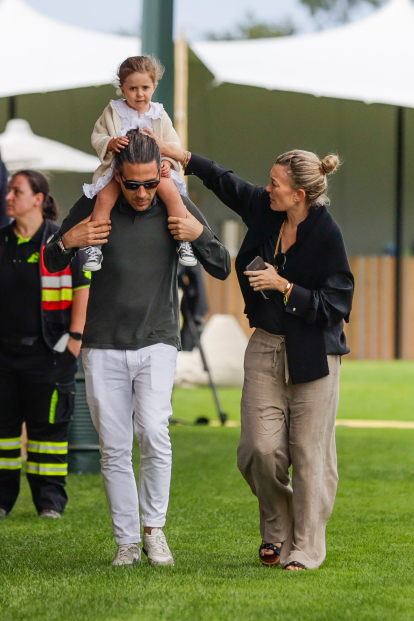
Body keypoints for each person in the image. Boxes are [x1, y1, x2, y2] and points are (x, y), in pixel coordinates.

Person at [149, 135, 354, 571]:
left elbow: (338, 305)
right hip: (263, 343)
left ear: (299, 194)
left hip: (314, 355)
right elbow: (226, 182)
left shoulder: (326, 234)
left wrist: (285, 287)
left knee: (309, 454)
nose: (267, 188)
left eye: (276, 183)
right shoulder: (265, 209)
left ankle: (303, 548)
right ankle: (278, 527)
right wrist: (182, 157)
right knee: (258, 450)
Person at [44, 130, 230, 566]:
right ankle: (127, 541)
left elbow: (221, 266)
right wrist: (69, 240)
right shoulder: (95, 204)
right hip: (102, 344)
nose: (143, 192)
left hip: (158, 340)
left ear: (162, 176)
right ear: (117, 176)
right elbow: (51, 261)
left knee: (154, 432)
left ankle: (154, 531)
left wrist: (197, 231)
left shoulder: (173, 204)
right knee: (114, 446)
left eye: (151, 183)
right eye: (133, 184)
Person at [0, 171, 90, 519]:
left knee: (48, 428)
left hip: (51, 351)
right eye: (8, 190)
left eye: (16, 191)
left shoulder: (60, 241)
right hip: (4, 355)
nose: (9, 196)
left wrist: (75, 339)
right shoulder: (3, 240)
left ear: (38, 199)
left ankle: (49, 502)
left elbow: (83, 286)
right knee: (3, 432)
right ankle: (3, 500)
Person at [82, 55, 196, 271]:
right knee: (104, 198)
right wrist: (111, 142)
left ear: (154, 86)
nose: (140, 94)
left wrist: (169, 163)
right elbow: (96, 136)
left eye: (145, 87)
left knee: (172, 193)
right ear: (122, 89)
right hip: (120, 171)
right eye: (133, 88)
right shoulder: (113, 111)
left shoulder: (159, 115)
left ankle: (184, 240)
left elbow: (172, 143)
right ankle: (95, 245)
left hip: (154, 171)